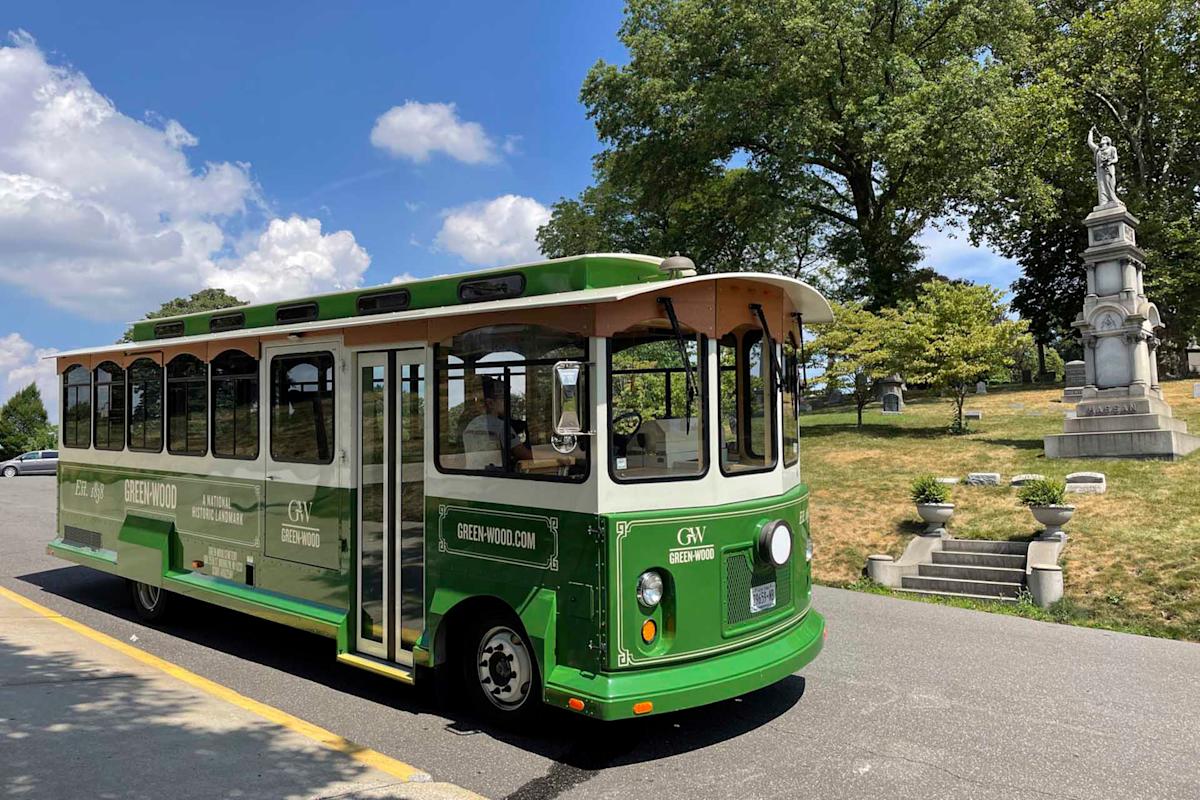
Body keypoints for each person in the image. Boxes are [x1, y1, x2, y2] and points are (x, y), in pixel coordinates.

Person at [462, 376, 532, 470]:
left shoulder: (471, 425)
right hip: (495, 476)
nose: (507, 402)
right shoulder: (500, 426)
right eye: (503, 398)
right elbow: (525, 455)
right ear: (490, 403)